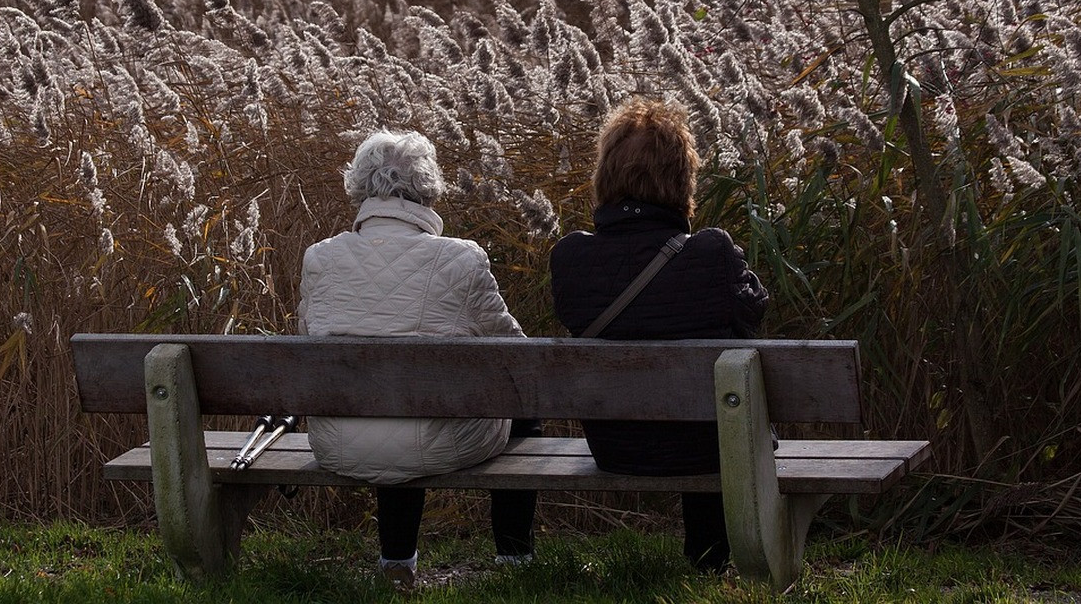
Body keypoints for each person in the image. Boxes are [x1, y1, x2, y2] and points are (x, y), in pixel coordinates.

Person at [297, 130, 538, 590]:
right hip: (437, 440)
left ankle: (396, 566)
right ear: (427, 189)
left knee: (386, 404)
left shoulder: (319, 258)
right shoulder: (461, 260)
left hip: (339, 441)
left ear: (360, 188)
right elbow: (516, 354)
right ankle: (514, 562)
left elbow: (305, 340)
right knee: (522, 406)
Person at [549, 98, 769, 573]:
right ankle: (710, 556)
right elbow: (753, 315)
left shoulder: (569, 257)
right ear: (682, 180)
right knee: (712, 396)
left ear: (605, 176)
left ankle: (707, 554)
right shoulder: (711, 252)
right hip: (708, 449)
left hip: (614, 446)